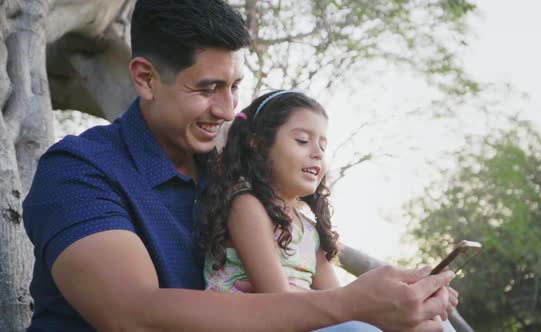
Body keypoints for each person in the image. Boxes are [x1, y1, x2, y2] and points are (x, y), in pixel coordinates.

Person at [22, 0, 456, 331]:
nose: (228, 109)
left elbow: (304, 291)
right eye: (208, 88)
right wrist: (347, 305)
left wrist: (394, 309)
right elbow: (135, 315)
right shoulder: (79, 172)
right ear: (145, 78)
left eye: (234, 87)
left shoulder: (238, 177)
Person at [203, 90, 342, 294]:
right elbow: (278, 297)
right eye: (302, 140)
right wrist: (313, 297)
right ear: (258, 144)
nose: (318, 153)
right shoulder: (247, 207)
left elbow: (341, 300)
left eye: (323, 146)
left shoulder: (310, 232)